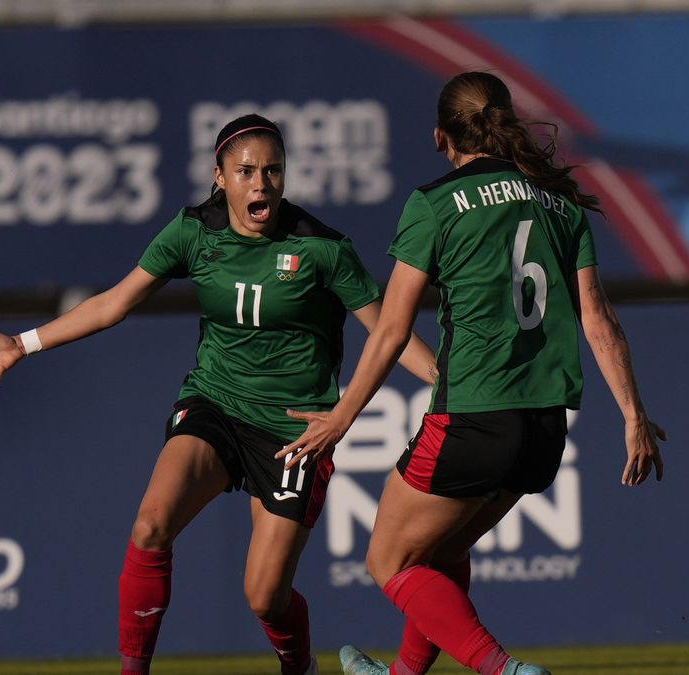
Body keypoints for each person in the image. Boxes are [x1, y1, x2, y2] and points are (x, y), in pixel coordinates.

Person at [0, 114, 437, 675]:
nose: (261, 184)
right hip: (214, 405)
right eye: (246, 171)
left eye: (273, 170)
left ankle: (299, 666)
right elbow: (113, 303)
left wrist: (449, 385)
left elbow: (391, 334)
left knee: (265, 597)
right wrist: (22, 343)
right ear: (219, 178)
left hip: (294, 430)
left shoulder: (323, 248)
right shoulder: (192, 232)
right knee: (150, 523)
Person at [279, 72, 667, 675]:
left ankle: (504, 670)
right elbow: (600, 320)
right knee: (438, 554)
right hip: (544, 426)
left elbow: (390, 331)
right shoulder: (559, 201)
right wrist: (634, 416)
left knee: (390, 563)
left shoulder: (434, 204)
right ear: (506, 122)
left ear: (441, 136)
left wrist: (341, 417)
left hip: (472, 414)